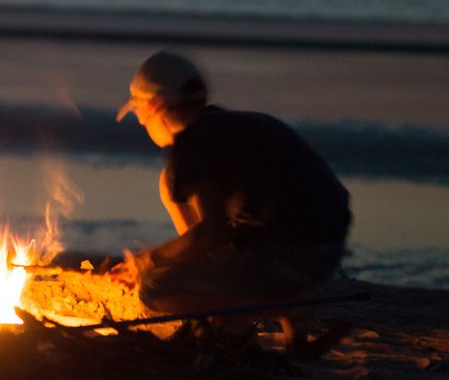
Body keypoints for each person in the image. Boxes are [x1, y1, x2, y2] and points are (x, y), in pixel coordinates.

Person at [109, 51, 351, 355]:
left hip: (292, 257)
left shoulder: (192, 142)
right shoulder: (232, 124)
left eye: (141, 115)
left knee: (155, 290)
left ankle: (282, 307)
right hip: (328, 247)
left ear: (156, 106)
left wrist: (149, 260)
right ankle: (292, 331)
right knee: (171, 185)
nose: (143, 124)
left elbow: (212, 235)